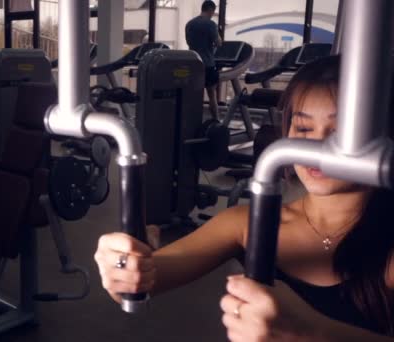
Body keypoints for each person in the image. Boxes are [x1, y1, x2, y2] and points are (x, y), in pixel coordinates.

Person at [94, 55, 394, 341]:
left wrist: (311, 334)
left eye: (340, 132)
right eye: (303, 127)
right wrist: (124, 266)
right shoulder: (247, 224)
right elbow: (147, 278)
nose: (314, 147)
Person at [185, 0, 222, 120]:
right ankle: (216, 120)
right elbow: (218, 43)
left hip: (193, 64)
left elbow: (189, 42)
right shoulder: (210, 24)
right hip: (208, 64)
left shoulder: (189, 24)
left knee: (195, 95)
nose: (213, 14)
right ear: (210, 10)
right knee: (212, 95)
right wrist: (219, 37)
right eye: (213, 12)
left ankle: (192, 121)